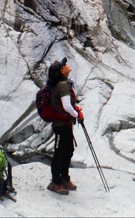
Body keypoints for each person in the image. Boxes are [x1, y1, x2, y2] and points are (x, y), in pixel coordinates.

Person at [47, 57, 83, 195]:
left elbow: (69, 105)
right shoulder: (62, 85)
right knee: (60, 152)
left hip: (64, 124)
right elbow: (67, 106)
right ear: (61, 71)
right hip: (61, 124)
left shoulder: (64, 83)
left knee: (67, 150)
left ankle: (64, 178)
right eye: (64, 65)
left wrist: (76, 111)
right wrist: (77, 114)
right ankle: (55, 182)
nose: (67, 65)